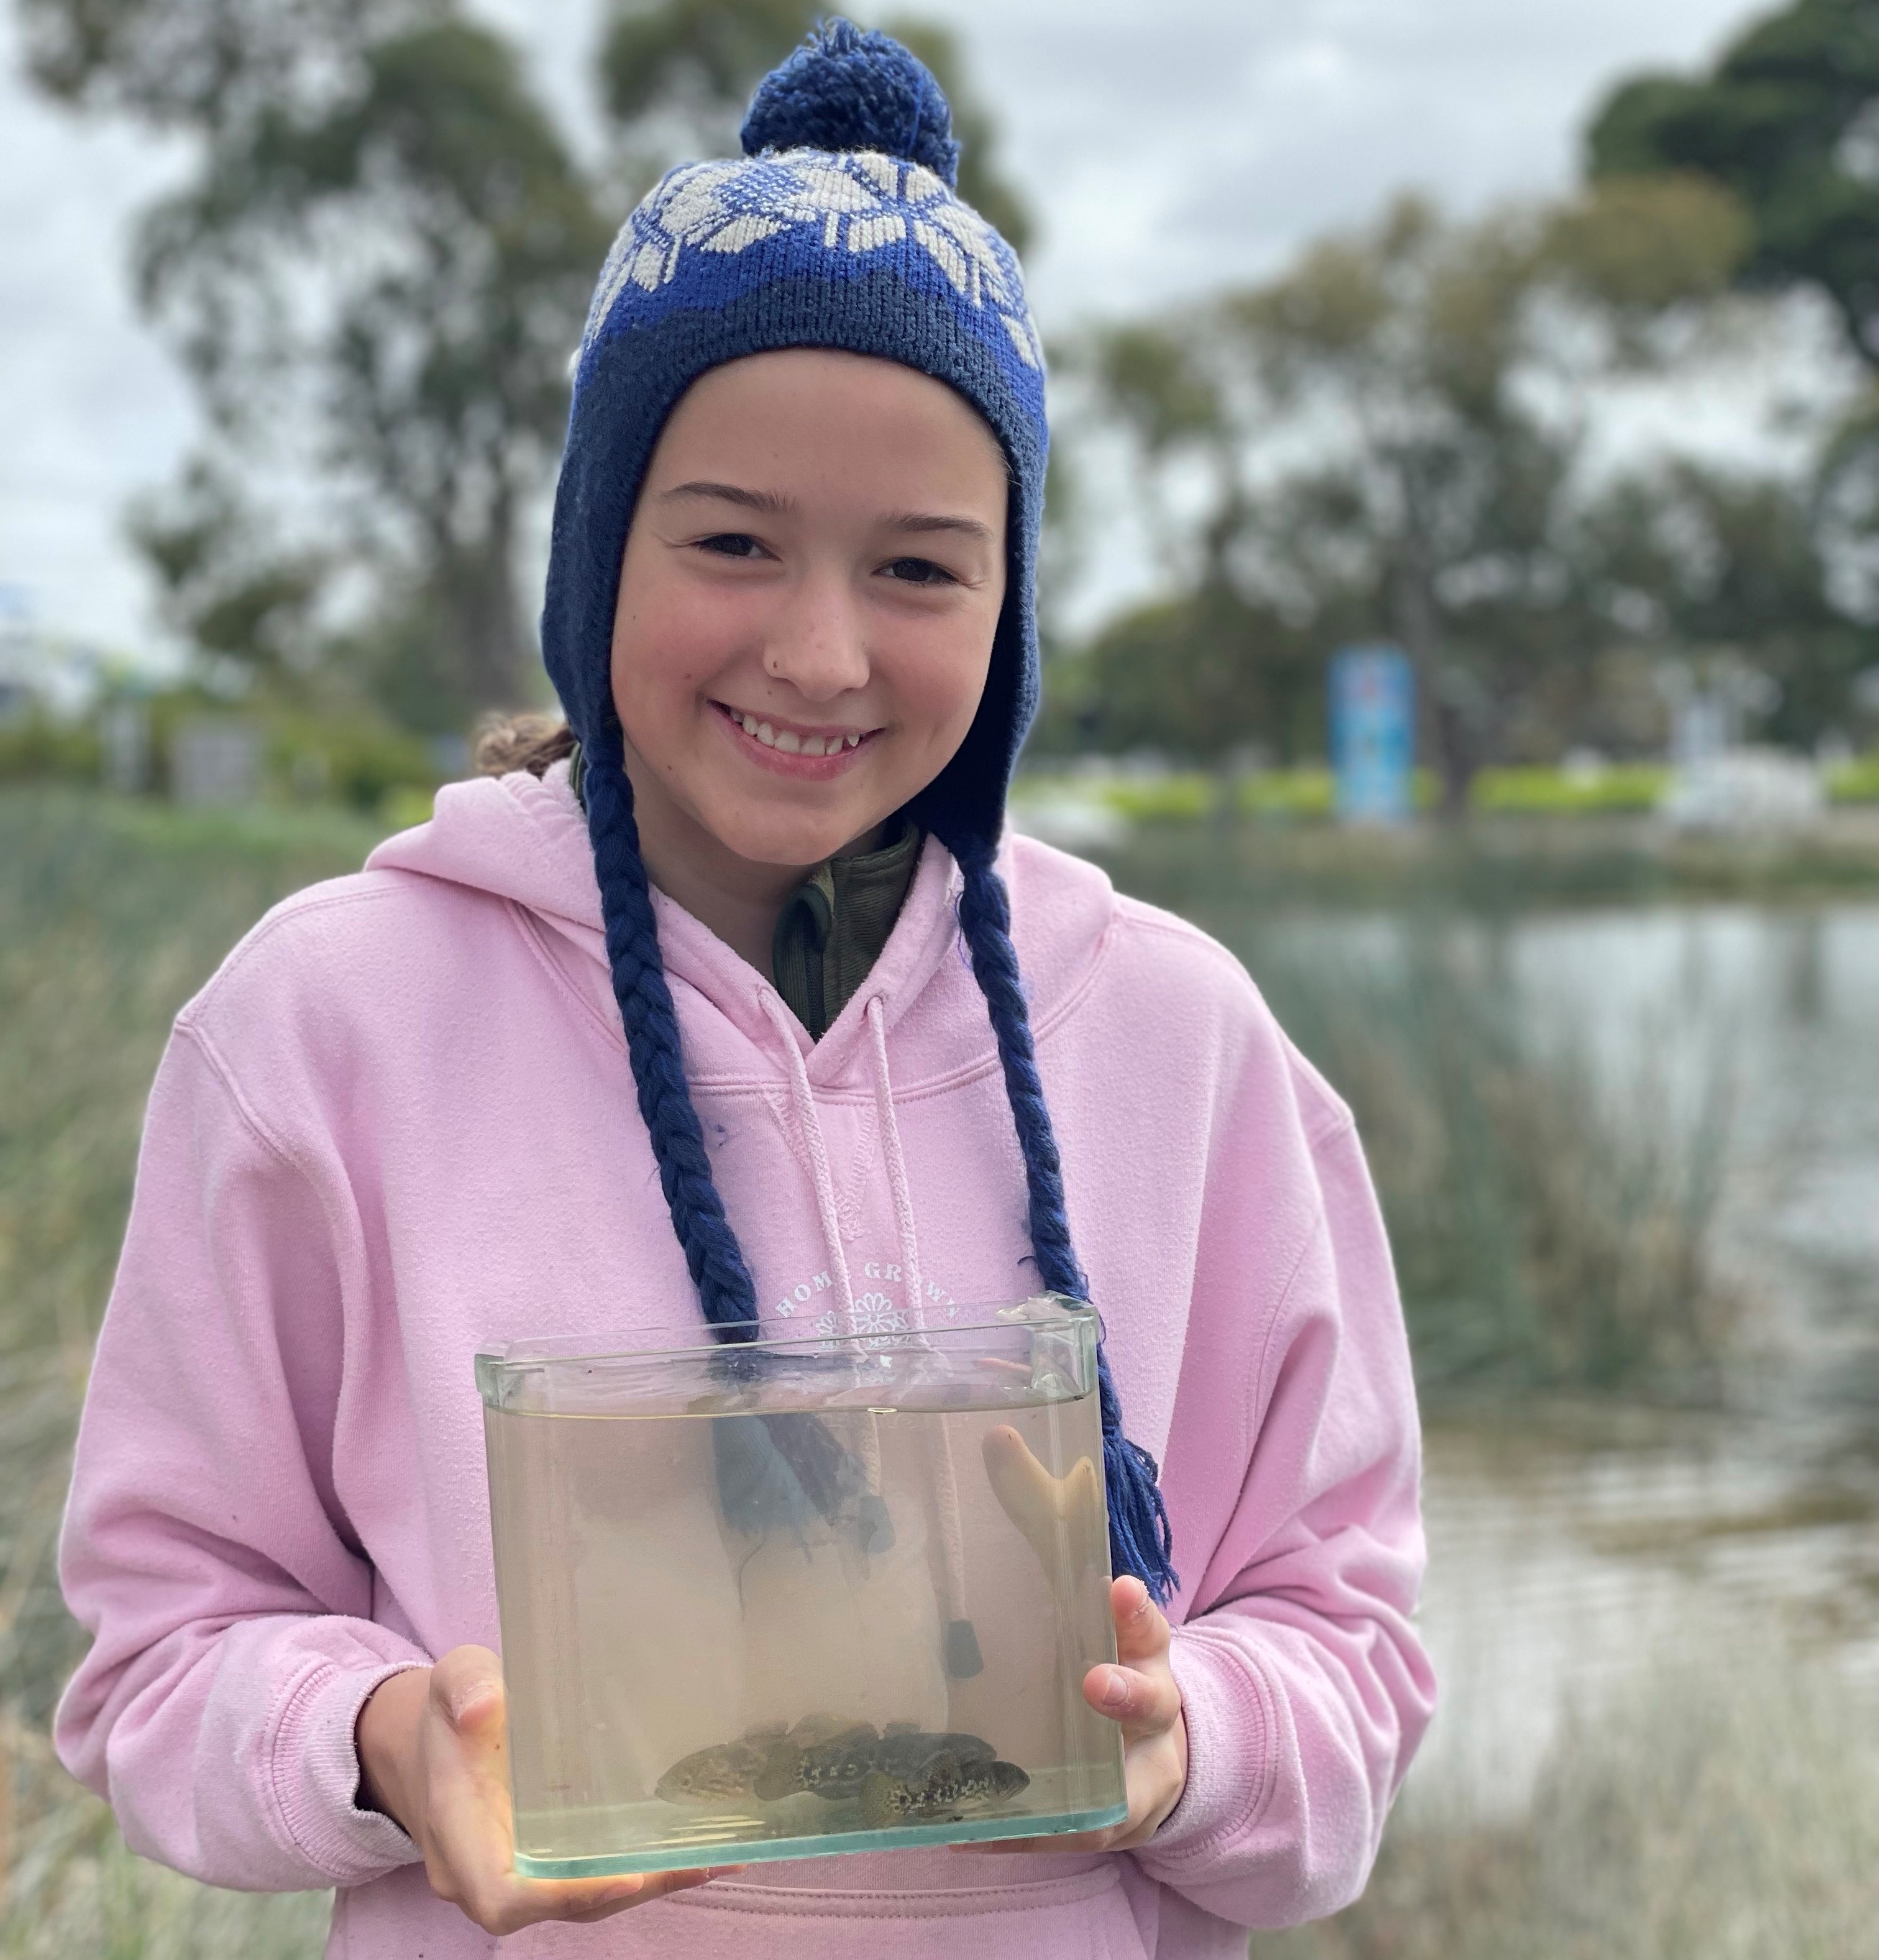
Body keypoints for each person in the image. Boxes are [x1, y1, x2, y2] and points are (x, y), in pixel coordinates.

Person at [55, 22, 1433, 1958]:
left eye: (923, 570)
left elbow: (1356, 1648)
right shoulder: (321, 1029)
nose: (819, 649)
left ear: (1014, 606)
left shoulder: (1193, 1048)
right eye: (729, 543)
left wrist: (1192, 1738)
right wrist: (382, 1741)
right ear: (594, 548)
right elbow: (156, 1657)